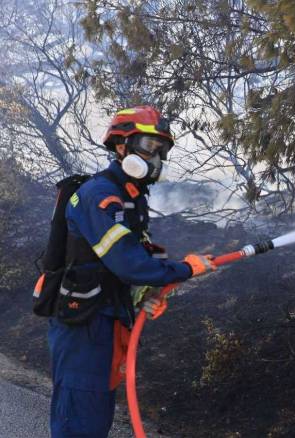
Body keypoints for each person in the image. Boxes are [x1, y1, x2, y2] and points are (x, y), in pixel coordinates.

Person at [48, 105, 215, 437]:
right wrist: (183, 269)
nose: (156, 158)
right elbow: (127, 261)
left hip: (105, 321)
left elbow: (123, 262)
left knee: (95, 420)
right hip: (84, 326)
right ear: (121, 146)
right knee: (80, 423)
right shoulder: (99, 195)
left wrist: (143, 295)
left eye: (161, 150)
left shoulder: (130, 198)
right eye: (149, 147)